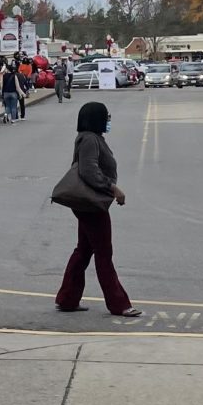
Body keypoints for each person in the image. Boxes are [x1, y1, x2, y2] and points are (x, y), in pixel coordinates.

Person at [55, 103, 141, 317]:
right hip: (91, 205)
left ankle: (67, 298)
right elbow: (89, 170)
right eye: (106, 117)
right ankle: (119, 303)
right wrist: (113, 188)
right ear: (96, 119)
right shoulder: (90, 140)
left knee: (83, 250)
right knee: (103, 252)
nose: (108, 120)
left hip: (88, 205)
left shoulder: (91, 138)